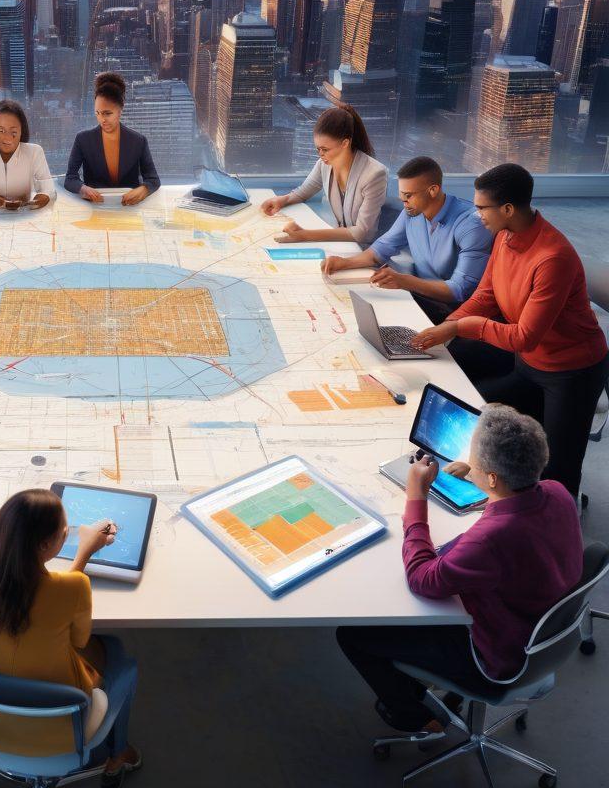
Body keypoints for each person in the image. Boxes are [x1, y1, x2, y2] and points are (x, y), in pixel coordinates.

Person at [337, 405, 582, 734]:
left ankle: (415, 717)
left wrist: (416, 495)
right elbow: (515, 509)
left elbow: (422, 578)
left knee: (352, 635)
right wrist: (483, 481)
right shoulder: (557, 492)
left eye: (477, 460)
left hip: (496, 658)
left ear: (494, 476)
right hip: (539, 634)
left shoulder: (490, 541)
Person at [412, 163, 609, 499]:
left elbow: (523, 336)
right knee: (478, 417)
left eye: (481, 208)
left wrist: (462, 326)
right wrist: (447, 328)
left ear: (507, 209)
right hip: (529, 364)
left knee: (559, 470)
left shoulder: (552, 257)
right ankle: (501, 501)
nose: (476, 216)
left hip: (570, 372)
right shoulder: (504, 236)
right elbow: (486, 296)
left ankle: (559, 535)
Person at [0, 489, 141, 788]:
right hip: (58, 735)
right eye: (65, 532)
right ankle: (119, 753)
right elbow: (79, 640)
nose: (67, 534)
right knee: (122, 660)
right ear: (46, 545)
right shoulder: (73, 587)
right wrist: (84, 554)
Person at [322, 156, 492, 322]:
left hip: (455, 312)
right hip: (421, 298)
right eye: (401, 195)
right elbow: (381, 249)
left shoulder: (472, 225)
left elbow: (459, 290)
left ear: (433, 190)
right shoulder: (411, 211)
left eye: (408, 195)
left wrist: (404, 281)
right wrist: (345, 263)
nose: (403, 201)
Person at [260, 103, 388, 244]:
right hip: (338, 242)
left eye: (325, 149)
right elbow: (303, 192)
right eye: (318, 149)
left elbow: (363, 233)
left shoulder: (375, 174)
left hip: (363, 248)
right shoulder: (324, 164)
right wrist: (281, 200)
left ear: (345, 143)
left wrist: (305, 235)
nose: (321, 154)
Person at [64, 72, 160, 205]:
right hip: (95, 206)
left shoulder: (138, 141)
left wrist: (143, 190)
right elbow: (70, 179)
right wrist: (82, 188)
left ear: (120, 111)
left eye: (107, 113)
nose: (102, 119)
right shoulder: (83, 139)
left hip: (129, 207)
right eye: (97, 113)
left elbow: (153, 179)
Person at [0, 99, 56, 210]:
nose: (8, 138)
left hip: (25, 215)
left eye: (13, 132)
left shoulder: (35, 152)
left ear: (21, 131)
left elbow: (48, 189)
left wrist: (41, 199)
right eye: (1, 131)